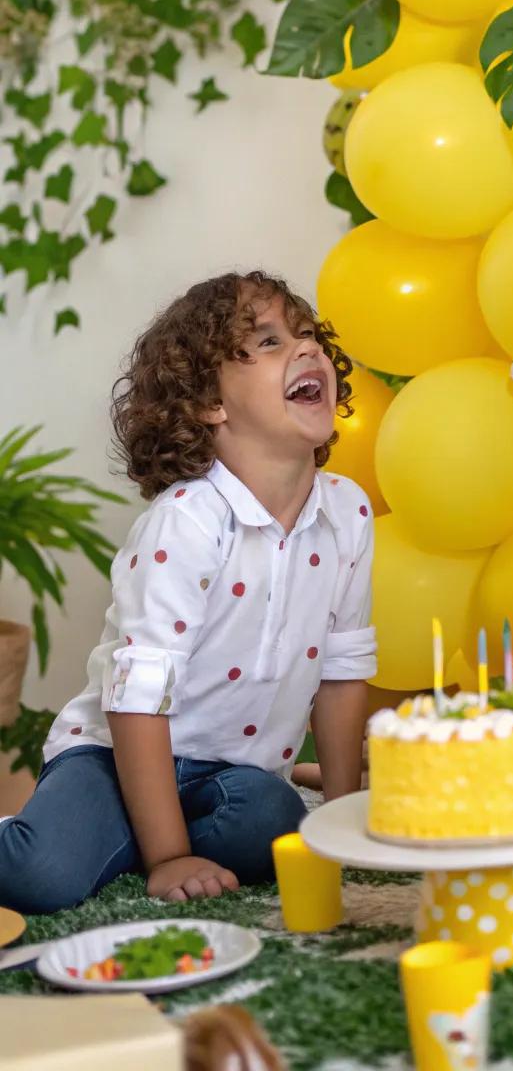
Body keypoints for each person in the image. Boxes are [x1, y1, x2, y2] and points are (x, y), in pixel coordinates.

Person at [0, 271, 375, 914]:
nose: (306, 348)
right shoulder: (189, 520)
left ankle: (148, 841)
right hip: (117, 758)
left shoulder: (347, 512)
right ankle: (135, 836)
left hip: (233, 780)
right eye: (267, 342)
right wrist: (171, 857)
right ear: (209, 404)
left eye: (307, 334)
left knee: (278, 825)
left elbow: (339, 673)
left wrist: (341, 816)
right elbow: (137, 701)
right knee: (44, 875)